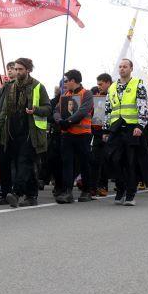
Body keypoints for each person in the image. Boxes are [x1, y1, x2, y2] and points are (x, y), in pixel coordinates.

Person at [0, 58, 49, 208]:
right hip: (12, 132)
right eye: (16, 69)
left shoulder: (38, 86)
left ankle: (16, 193)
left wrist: (35, 110)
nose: (17, 72)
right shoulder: (10, 87)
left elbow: (48, 108)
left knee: (24, 162)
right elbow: (4, 111)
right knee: (24, 164)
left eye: (20, 69)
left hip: (31, 132)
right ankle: (31, 196)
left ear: (28, 70)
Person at [103, 59, 148, 206]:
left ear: (131, 68)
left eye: (125, 66)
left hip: (132, 128)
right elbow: (108, 109)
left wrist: (140, 126)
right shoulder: (112, 87)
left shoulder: (138, 85)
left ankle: (130, 194)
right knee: (114, 159)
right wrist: (106, 129)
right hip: (116, 128)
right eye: (120, 67)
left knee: (130, 162)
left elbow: (143, 107)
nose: (122, 69)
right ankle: (120, 188)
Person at [53, 69, 93, 204]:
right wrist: (59, 121)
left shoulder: (86, 94)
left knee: (84, 163)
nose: (64, 84)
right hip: (67, 134)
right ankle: (67, 192)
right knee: (67, 163)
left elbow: (83, 111)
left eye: (66, 81)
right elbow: (57, 110)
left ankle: (87, 190)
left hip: (82, 134)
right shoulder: (64, 95)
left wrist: (68, 122)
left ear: (73, 81)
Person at [89, 74, 112, 197]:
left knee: (107, 159)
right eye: (98, 84)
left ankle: (104, 185)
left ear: (108, 83)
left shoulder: (114, 95)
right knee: (95, 159)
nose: (99, 87)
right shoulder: (96, 96)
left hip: (111, 131)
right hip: (97, 131)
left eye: (101, 84)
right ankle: (93, 187)